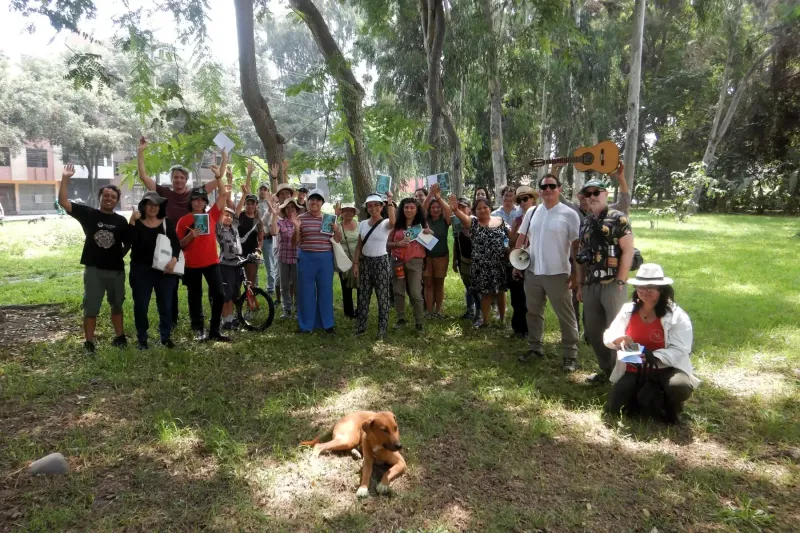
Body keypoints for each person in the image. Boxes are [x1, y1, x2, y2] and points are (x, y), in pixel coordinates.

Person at [137, 136, 220, 329]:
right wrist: (141, 152)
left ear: (187, 180)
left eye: (182, 177)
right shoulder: (164, 193)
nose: (179, 180)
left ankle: (199, 322)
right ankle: (171, 321)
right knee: (170, 285)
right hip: (170, 244)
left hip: (194, 246)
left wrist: (222, 159)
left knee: (195, 288)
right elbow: (143, 177)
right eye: (176, 177)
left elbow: (218, 182)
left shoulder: (195, 195)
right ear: (171, 179)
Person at [603, 264, 699, 423]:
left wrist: (653, 356)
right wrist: (617, 339)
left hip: (666, 368)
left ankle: (670, 405)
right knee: (614, 409)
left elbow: (681, 350)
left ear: (661, 290)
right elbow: (610, 333)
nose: (644, 292)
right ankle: (643, 398)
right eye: (640, 288)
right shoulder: (628, 309)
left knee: (678, 386)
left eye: (650, 288)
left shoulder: (676, 315)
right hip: (635, 367)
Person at [58, 164, 130, 354]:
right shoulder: (89, 214)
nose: (109, 199)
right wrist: (65, 178)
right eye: (106, 196)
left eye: (113, 197)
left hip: (116, 272)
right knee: (91, 306)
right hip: (94, 271)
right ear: (100, 197)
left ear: (117, 201)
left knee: (117, 304)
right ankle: (89, 342)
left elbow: (128, 244)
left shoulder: (121, 221)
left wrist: (116, 257)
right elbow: (64, 202)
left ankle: (120, 337)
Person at [513, 175, 581, 371]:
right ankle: (535, 348)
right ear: (539, 190)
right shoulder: (532, 212)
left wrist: (576, 272)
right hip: (533, 272)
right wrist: (517, 264)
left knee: (566, 315)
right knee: (533, 312)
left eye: (552, 186)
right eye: (544, 186)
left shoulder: (569, 214)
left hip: (558, 273)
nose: (548, 189)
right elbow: (521, 238)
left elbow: (576, 246)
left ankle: (570, 354)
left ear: (559, 188)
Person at [576, 178, 635, 383]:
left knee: (620, 330)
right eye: (588, 193)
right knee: (594, 331)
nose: (592, 197)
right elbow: (580, 255)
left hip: (612, 284)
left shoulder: (618, 218)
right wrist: (580, 283)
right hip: (591, 284)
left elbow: (628, 250)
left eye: (596, 192)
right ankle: (607, 371)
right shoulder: (585, 222)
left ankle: (628, 375)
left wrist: (620, 281)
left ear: (605, 194)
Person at [175, 151, 230, 343]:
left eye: (201, 199)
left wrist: (218, 177)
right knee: (195, 298)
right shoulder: (183, 221)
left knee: (219, 294)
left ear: (205, 202)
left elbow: (223, 194)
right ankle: (199, 329)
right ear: (191, 202)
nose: (198, 202)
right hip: (192, 266)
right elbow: (179, 245)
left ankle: (215, 329)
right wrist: (190, 236)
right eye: (195, 199)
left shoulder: (212, 215)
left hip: (212, 263)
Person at [127, 191, 181, 350]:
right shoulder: (136, 222)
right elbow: (128, 241)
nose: (152, 207)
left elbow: (176, 245)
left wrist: (174, 260)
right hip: (141, 270)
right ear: (143, 206)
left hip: (164, 270)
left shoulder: (166, 223)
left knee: (166, 305)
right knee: (141, 305)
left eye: (156, 204)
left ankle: (166, 337)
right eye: (149, 204)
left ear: (160, 207)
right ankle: (142, 338)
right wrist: (131, 222)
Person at [450, 195, 509, 328]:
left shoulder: (500, 221)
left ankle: (502, 320)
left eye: (485, 207)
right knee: (485, 293)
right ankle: (485, 321)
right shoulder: (473, 223)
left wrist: (507, 248)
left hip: (499, 263)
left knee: (501, 292)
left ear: (490, 208)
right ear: (475, 211)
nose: (482, 210)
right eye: (479, 208)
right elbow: (462, 217)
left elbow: (508, 237)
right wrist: (455, 210)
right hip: (481, 265)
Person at [292, 188, 342, 333]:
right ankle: (306, 325)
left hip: (325, 259)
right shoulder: (300, 219)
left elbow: (337, 240)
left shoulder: (329, 218)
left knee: (326, 291)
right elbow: (295, 243)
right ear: (307, 202)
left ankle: (327, 324)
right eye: (312, 199)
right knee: (306, 291)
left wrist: (336, 230)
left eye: (318, 199)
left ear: (322, 203)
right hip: (306, 257)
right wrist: (296, 228)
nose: (314, 202)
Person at [352, 193, 396, 338]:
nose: (373, 208)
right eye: (370, 206)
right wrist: (356, 263)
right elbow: (359, 245)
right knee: (363, 296)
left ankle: (382, 329)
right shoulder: (363, 224)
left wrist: (389, 202)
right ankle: (361, 326)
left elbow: (393, 223)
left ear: (381, 207)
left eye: (376, 205)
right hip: (365, 262)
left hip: (381, 262)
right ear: (367, 208)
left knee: (382, 297)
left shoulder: (385, 223)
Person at [390, 198, 427, 332]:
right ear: (402, 209)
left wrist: (429, 234)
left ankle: (419, 322)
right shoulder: (396, 224)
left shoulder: (422, 224)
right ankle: (401, 319)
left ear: (417, 210)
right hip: (397, 261)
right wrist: (397, 244)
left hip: (415, 262)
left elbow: (430, 243)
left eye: (412, 208)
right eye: (406, 207)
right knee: (399, 291)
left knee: (416, 292)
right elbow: (387, 243)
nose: (409, 210)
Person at [507, 185, 538, 338]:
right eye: (520, 200)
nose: (523, 202)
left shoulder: (541, 216)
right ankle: (518, 328)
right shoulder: (518, 219)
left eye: (526, 199)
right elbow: (512, 241)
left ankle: (531, 331)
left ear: (533, 199)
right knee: (517, 297)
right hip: (519, 259)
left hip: (536, 261)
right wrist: (517, 229)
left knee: (531, 299)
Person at [216, 186, 247, 330]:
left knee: (235, 293)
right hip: (226, 265)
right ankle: (225, 320)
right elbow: (220, 208)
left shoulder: (234, 227)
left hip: (237, 265)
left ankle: (231, 318)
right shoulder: (220, 229)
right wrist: (224, 194)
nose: (228, 217)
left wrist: (244, 194)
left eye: (230, 215)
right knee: (226, 294)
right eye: (225, 215)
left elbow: (238, 210)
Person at [422, 184, 453, 318]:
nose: (435, 209)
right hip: (426, 257)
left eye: (437, 208)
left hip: (441, 256)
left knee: (439, 284)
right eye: (433, 207)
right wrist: (430, 194)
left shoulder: (445, 220)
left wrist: (438, 197)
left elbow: (448, 209)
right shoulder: (425, 220)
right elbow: (422, 208)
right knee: (428, 284)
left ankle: (438, 311)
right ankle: (429, 312)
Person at [270, 196, 300, 319]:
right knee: (284, 286)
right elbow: (273, 232)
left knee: (298, 286)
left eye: (292, 207)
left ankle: (298, 310)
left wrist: (296, 225)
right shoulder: (280, 222)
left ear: (297, 209)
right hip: (283, 258)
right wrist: (274, 215)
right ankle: (286, 309)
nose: (290, 209)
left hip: (297, 258)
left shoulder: (300, 221)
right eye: (287, 207)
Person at [452, 198, 479, 321]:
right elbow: (455, 243)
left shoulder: (475, 222)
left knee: (477, 288)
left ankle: (479, 314)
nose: (462, 209)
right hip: (463, 260)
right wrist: (454, 260)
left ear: (470, 208)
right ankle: (470, 310)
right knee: (468, 288)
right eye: (459, 207)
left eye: (464, 207)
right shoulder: (456, 223)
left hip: (476, 261)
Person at [336, 202, 360, 319]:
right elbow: (335, 240)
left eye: (351, 210)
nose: (348, 213)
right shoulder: (338, 226)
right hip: (343, 261)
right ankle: (348, 312)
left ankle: (361, 310)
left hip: (359, 260)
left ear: (354, 213)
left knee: (361, 285)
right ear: (342, 213)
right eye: (346, 210)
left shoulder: (359, 225)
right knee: (346, 286)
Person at [256, 168, 278, 296]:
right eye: (261, 189)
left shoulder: (271, 203)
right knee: (255, 262)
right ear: (258, 190)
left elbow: (277, 192)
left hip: (268, 238)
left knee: (270, 264)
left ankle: (271, 288)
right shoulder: (253, 203)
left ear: (268, 191)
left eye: (265, 189)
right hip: (257, 238)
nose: (263, 191)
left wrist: (274, 178)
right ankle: (255, 287)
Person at [238, 188, 265, 287]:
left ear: (256, 205)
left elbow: (261, 240)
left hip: (251, 254)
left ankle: (250, 301)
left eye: (252, 204)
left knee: (251, 282)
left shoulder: (258, 221)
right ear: (245, 204)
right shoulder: (239, 216)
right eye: (248, 203)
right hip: (238, 253)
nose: (250, 206)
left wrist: (258, 251)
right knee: (237, 282)